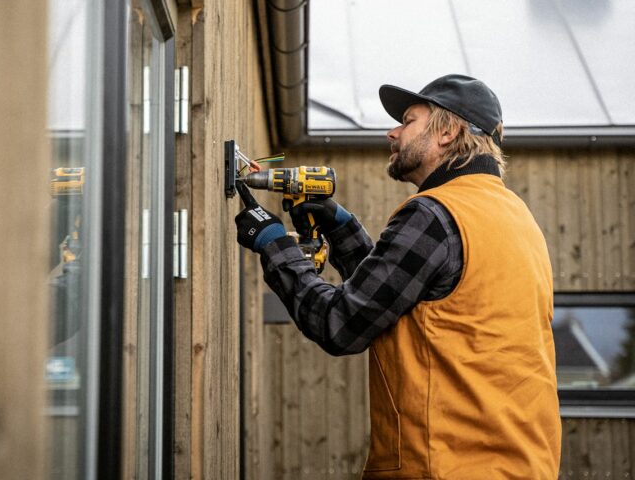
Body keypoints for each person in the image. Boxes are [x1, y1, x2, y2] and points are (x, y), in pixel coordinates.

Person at [235, 74, 561, 479]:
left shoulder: (433, 213)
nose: (392, 132)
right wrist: (340, 227)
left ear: (448, 132)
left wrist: (274, 245)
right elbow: (401, 305)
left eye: (408, 121)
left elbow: (341, 324)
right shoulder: (516, 218)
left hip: (441, 467)